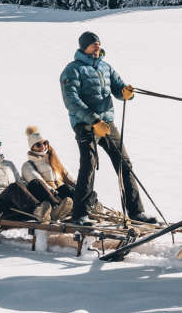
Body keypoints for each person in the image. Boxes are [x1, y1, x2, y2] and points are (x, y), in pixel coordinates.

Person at [60, 31, 156, 226]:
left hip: (107, 124)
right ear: (84, 47)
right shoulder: (72, 70)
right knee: (88, 166)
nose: (97, 47)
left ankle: (136, 213)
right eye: (93, 44)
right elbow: (71, 101)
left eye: (98, 44)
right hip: (86, 124)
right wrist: (94, 121)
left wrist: (125, 93)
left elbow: (118, 88)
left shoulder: (105, 67)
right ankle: (80, 215)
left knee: (125, 164)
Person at [0, 127, 65, 223]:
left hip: (16, 202)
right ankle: (38, 211)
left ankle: (55, 209)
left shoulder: (8, 164)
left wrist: (32, 191)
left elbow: (21, 183)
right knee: (15, 186)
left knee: (35, 183)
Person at [20, 125, 81, 217]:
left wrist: (81, 188)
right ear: (32, 147)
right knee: (66, 189)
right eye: (38, 144)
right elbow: (39, 183)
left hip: (63, 193)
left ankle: (89, 206)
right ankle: (62, 209)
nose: (43, 146)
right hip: (49, 196)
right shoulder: (28, 165)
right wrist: (57, 196)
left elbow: (68, 176)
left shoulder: (54, 159)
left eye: (45, 143)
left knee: (73, 189)